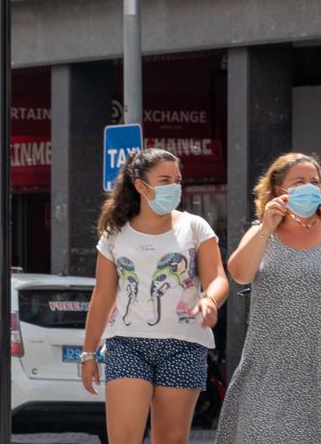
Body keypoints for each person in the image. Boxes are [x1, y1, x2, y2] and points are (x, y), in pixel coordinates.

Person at [215, 153, 321, 444]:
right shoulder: (260, 234)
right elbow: (239, 273)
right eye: (299, 181)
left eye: (314, 181)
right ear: (279, 190)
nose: (310, 187)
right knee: (260, 435)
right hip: (269, 366)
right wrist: (267, 227)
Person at [79, 148, 229, 444]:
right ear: (140, 185)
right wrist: (88, 353)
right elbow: (103, 297)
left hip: (184, 345)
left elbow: (218, 279)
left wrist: (210, 300)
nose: (174, 186)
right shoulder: (115, 234)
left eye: (178, 179)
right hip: (127, 343)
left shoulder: (195, 227)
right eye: (165, 179)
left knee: (171, 441)